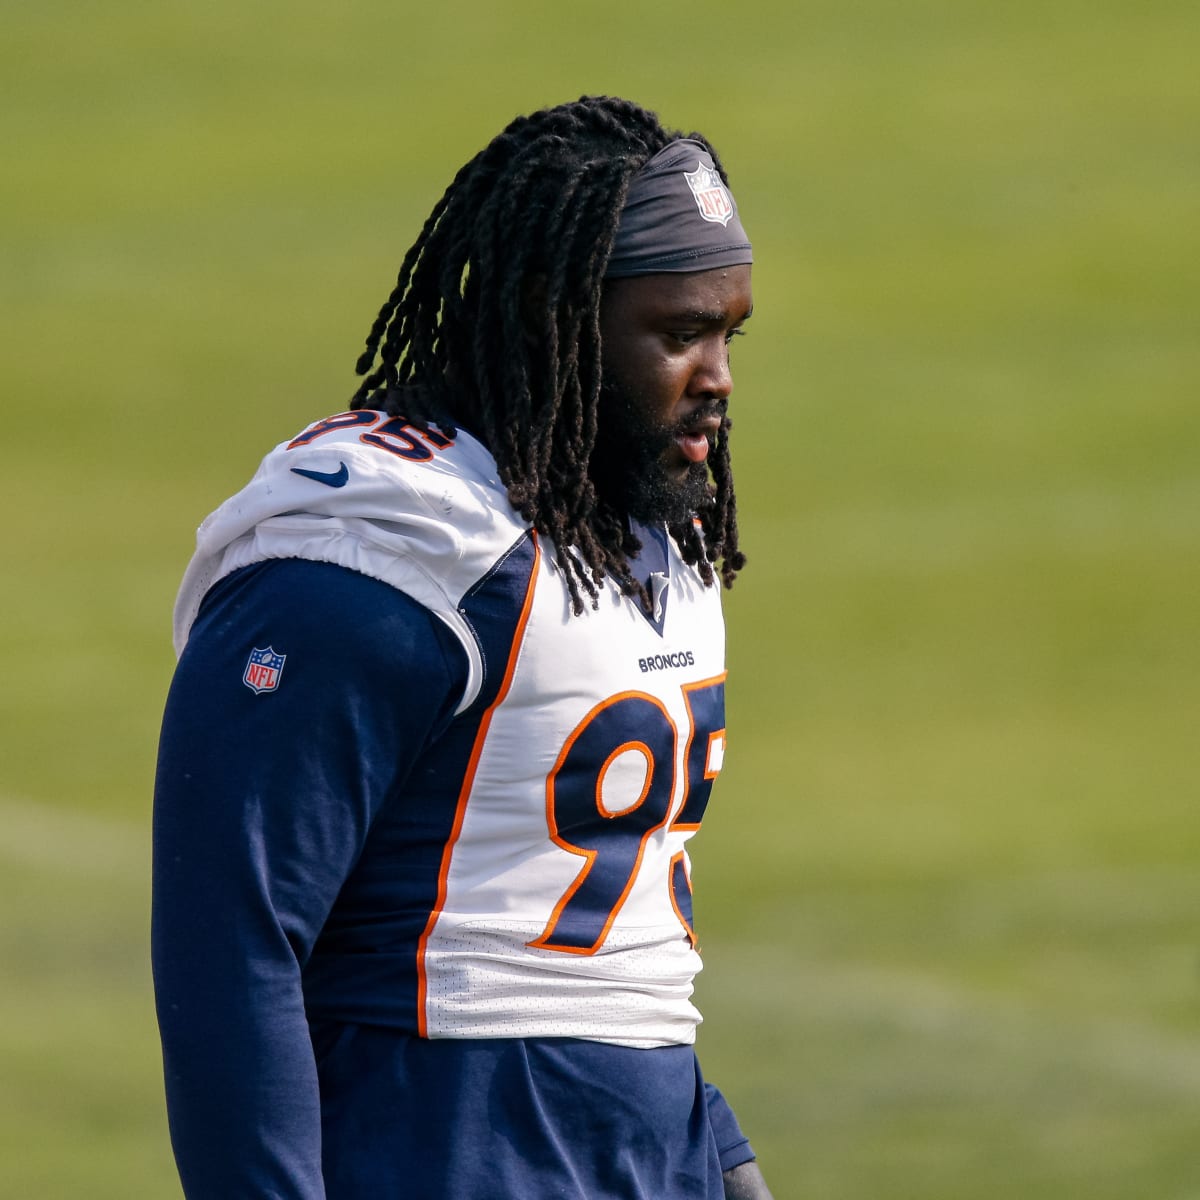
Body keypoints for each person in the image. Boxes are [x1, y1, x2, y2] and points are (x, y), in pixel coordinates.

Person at [152, 94, 772, 1200]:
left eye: (729, 333)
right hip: (441, 1143)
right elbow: (232, 947)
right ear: (554, 322)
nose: (718, 375)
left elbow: (613, 939)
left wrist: (717, 1154)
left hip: (637, 1152)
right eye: (679, 334)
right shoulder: (377, 561)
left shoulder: (639, 532)